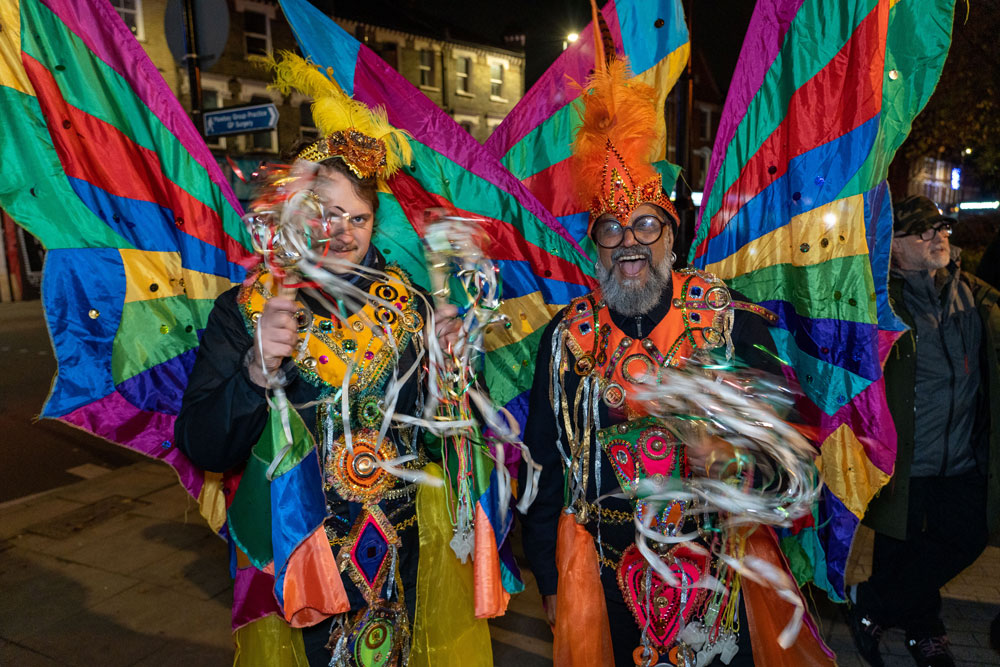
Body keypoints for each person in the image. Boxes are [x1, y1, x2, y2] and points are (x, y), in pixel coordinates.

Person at [519, 59, 834, 667]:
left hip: (718, 581)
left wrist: (734, 458)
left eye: (645, 224)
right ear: (595, 242)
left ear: (671, 233)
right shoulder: (565, 339)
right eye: (610, 228)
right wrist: (550, 579)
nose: (628, 241)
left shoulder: (728, 319)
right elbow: (543, 464)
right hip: (605, 579)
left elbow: (798, 442)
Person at [175, 55, 468, 666]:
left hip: (398, 560)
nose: (343, 233)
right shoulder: (249, 308)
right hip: (298, 563)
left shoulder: (412, 307)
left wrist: (455, 368)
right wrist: (256, 370)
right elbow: (203, 442)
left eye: (358, 218)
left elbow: (443, 433)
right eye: (327, 214)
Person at [845, 195, 1000, 667]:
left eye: (943, 229)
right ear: (893, 246)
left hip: (962, 456)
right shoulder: (878, 302)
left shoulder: (977, 296)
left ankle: (870, 605)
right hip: (905, 456)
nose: (939, 237)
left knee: (968, 536)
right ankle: (925, 631)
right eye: (923, 231)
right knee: (900, 546)